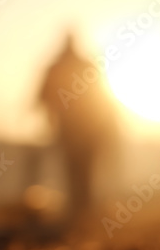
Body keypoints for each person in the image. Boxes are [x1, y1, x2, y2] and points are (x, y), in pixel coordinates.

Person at [39, 33, 118, 220]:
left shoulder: (56, 66)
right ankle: (82, 208)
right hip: (84, 130)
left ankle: (80, 208)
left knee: (75, 168)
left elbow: (43, 96)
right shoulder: (83, 65)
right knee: (83, 168)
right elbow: (102, 98)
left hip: (75, 129)